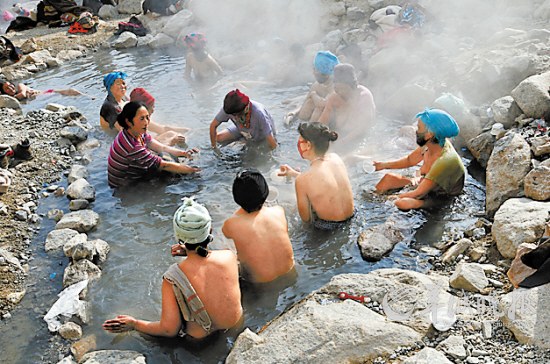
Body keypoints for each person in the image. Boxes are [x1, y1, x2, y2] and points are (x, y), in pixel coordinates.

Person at [103, 198, 243, 339]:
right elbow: (209, 265)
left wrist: (135, 324)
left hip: (201, 341)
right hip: (235, 326)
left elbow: (169, 330)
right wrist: (191, 251)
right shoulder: (228, 257)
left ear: (178, 237)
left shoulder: (173, 278)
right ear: (210, 230)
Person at [373, 108, 465, 210]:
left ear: (429, 134)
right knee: (388, 178)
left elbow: (417, 193)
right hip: (425, 183)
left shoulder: (444, 161)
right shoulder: (431, 143)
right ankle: (371, 205)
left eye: (419, 127)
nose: (416, 131)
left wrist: (386, 199)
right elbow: (409, 160)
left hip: (439, 197)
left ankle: (381, 213)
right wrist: (383, 165)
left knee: (402, 203)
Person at [222, 169, 295, 283]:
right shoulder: (278, 211)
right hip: (290, 272)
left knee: (226, 251)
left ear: (236, 198)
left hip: (258, 282)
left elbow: (226, 234)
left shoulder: (231, 224)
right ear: (266, 193)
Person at [278, 122, 354, 230]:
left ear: (308, 145)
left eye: (300, 141)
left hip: (328, 228)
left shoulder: (302, 181)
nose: (298, 144)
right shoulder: (336, 158)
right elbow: (323, 180)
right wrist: (294, 174)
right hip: (352, 218)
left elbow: (306, 219)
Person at [107, 101, 199, 188]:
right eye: (142, 119)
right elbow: (164, 165)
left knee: (166, 157)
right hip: (126, 186)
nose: (146, 122)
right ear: (128, 121)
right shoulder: (133, 146)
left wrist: (184, 153)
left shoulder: (134, 132)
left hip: (130, 175)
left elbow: (161, 147)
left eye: (147, 117)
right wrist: (193, 170)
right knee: (171, 172)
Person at [318, 63, 376, 154]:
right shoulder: (335, 97)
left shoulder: (363, 97)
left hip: (359, 138)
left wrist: (342, 142)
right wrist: (313, 135)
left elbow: (363, 127)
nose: (339, 92)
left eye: (343, 89)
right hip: (339, 133)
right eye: (337, 89)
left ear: (353, 86)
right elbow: (322, 121)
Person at [209, 89, 277, 152]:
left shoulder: (259, 113)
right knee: (218, 139)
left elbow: (272, 142)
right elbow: (213, 126)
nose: (235, 117)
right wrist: (214, 148)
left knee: (249, 157)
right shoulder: (229, 108)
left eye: (237, 115)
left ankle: (244, 142)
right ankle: (242, 141)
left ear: (246, 107)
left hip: (260, 135)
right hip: (241, 129)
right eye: (233, 115)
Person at [285, 51, 340, 125]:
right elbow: (303, 103)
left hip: (329, 124)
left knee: (318, 109)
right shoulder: (316, 85)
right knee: (309, 102)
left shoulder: (336, 87)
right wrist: (293, 114)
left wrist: (314, 95)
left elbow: (323, 104)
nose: (313, 73)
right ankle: (301, 127)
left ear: (325, 73)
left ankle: (309, 130)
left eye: (316, 70)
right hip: (310, 122)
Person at [0, 81, 89, 101]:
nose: (11, 88)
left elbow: (23, 95)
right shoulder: (9, 98)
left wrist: (14, 97)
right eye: (7, 88)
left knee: (71, 91)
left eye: (10, 85)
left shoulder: (20, 86)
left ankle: (88, 97)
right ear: (4, 92)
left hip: (48, 92)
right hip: (45, 97)